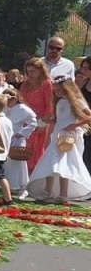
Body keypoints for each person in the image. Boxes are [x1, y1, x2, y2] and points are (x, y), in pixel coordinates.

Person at [26, 76, 91, 204]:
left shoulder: (76, 101)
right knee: (50, 162)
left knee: (63, 164)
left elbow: (88, 116)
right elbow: (58, 119)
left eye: (59, 89)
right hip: (58, 135)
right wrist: (47, 121)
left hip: (69, 137)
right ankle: (48, 191)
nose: (57, 92)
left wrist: (74, 125)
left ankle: (63, 194)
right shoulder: (59, 102)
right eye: (55, 90)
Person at [16, 57, 56, 169]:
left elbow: (50, 105)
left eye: (33, 71)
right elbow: (20, 100)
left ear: (40, 70)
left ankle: (34, 175)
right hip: (26, 119)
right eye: (28, 71)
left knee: (37, 148)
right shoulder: (25, 84)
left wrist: (43, 124)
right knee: (23, 147)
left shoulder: (46, 83)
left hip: (41, 119)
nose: (30, 74)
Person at [0, 88, 38, 204]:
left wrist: (21, 133)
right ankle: (10, 186)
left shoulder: (23, 109)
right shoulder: (5, 109)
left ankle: (23, 187)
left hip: (17, 138)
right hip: (7, 137)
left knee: (19, 162)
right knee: (7, 162)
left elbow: (33, 122)